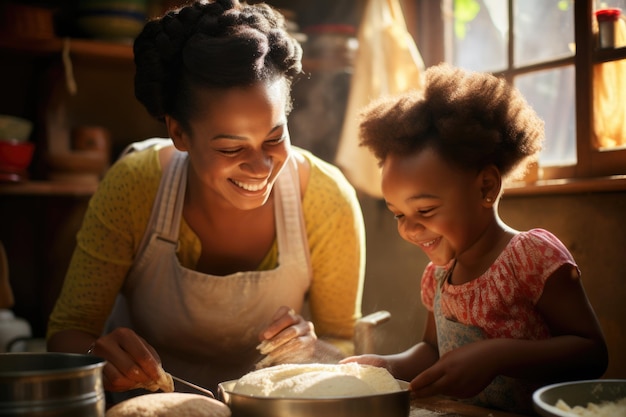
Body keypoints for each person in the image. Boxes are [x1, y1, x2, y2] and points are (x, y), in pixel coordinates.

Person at [46, 0, 365, 399]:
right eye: (231, 148)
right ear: (179, 134)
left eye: (274, 137)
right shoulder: (135, 184)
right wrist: (99, 357)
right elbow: (68, 332)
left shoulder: (325, 197)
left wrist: (316, 351)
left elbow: (343, 344)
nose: (260, 166)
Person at [341, 63, 608, 414]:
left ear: (486, 187)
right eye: (398, 214)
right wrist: (386, 366)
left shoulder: (531, 258)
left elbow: (592, 353)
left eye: (425, 210)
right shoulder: (437, 278)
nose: (409, 229)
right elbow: (431, 350)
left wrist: (497, 355)